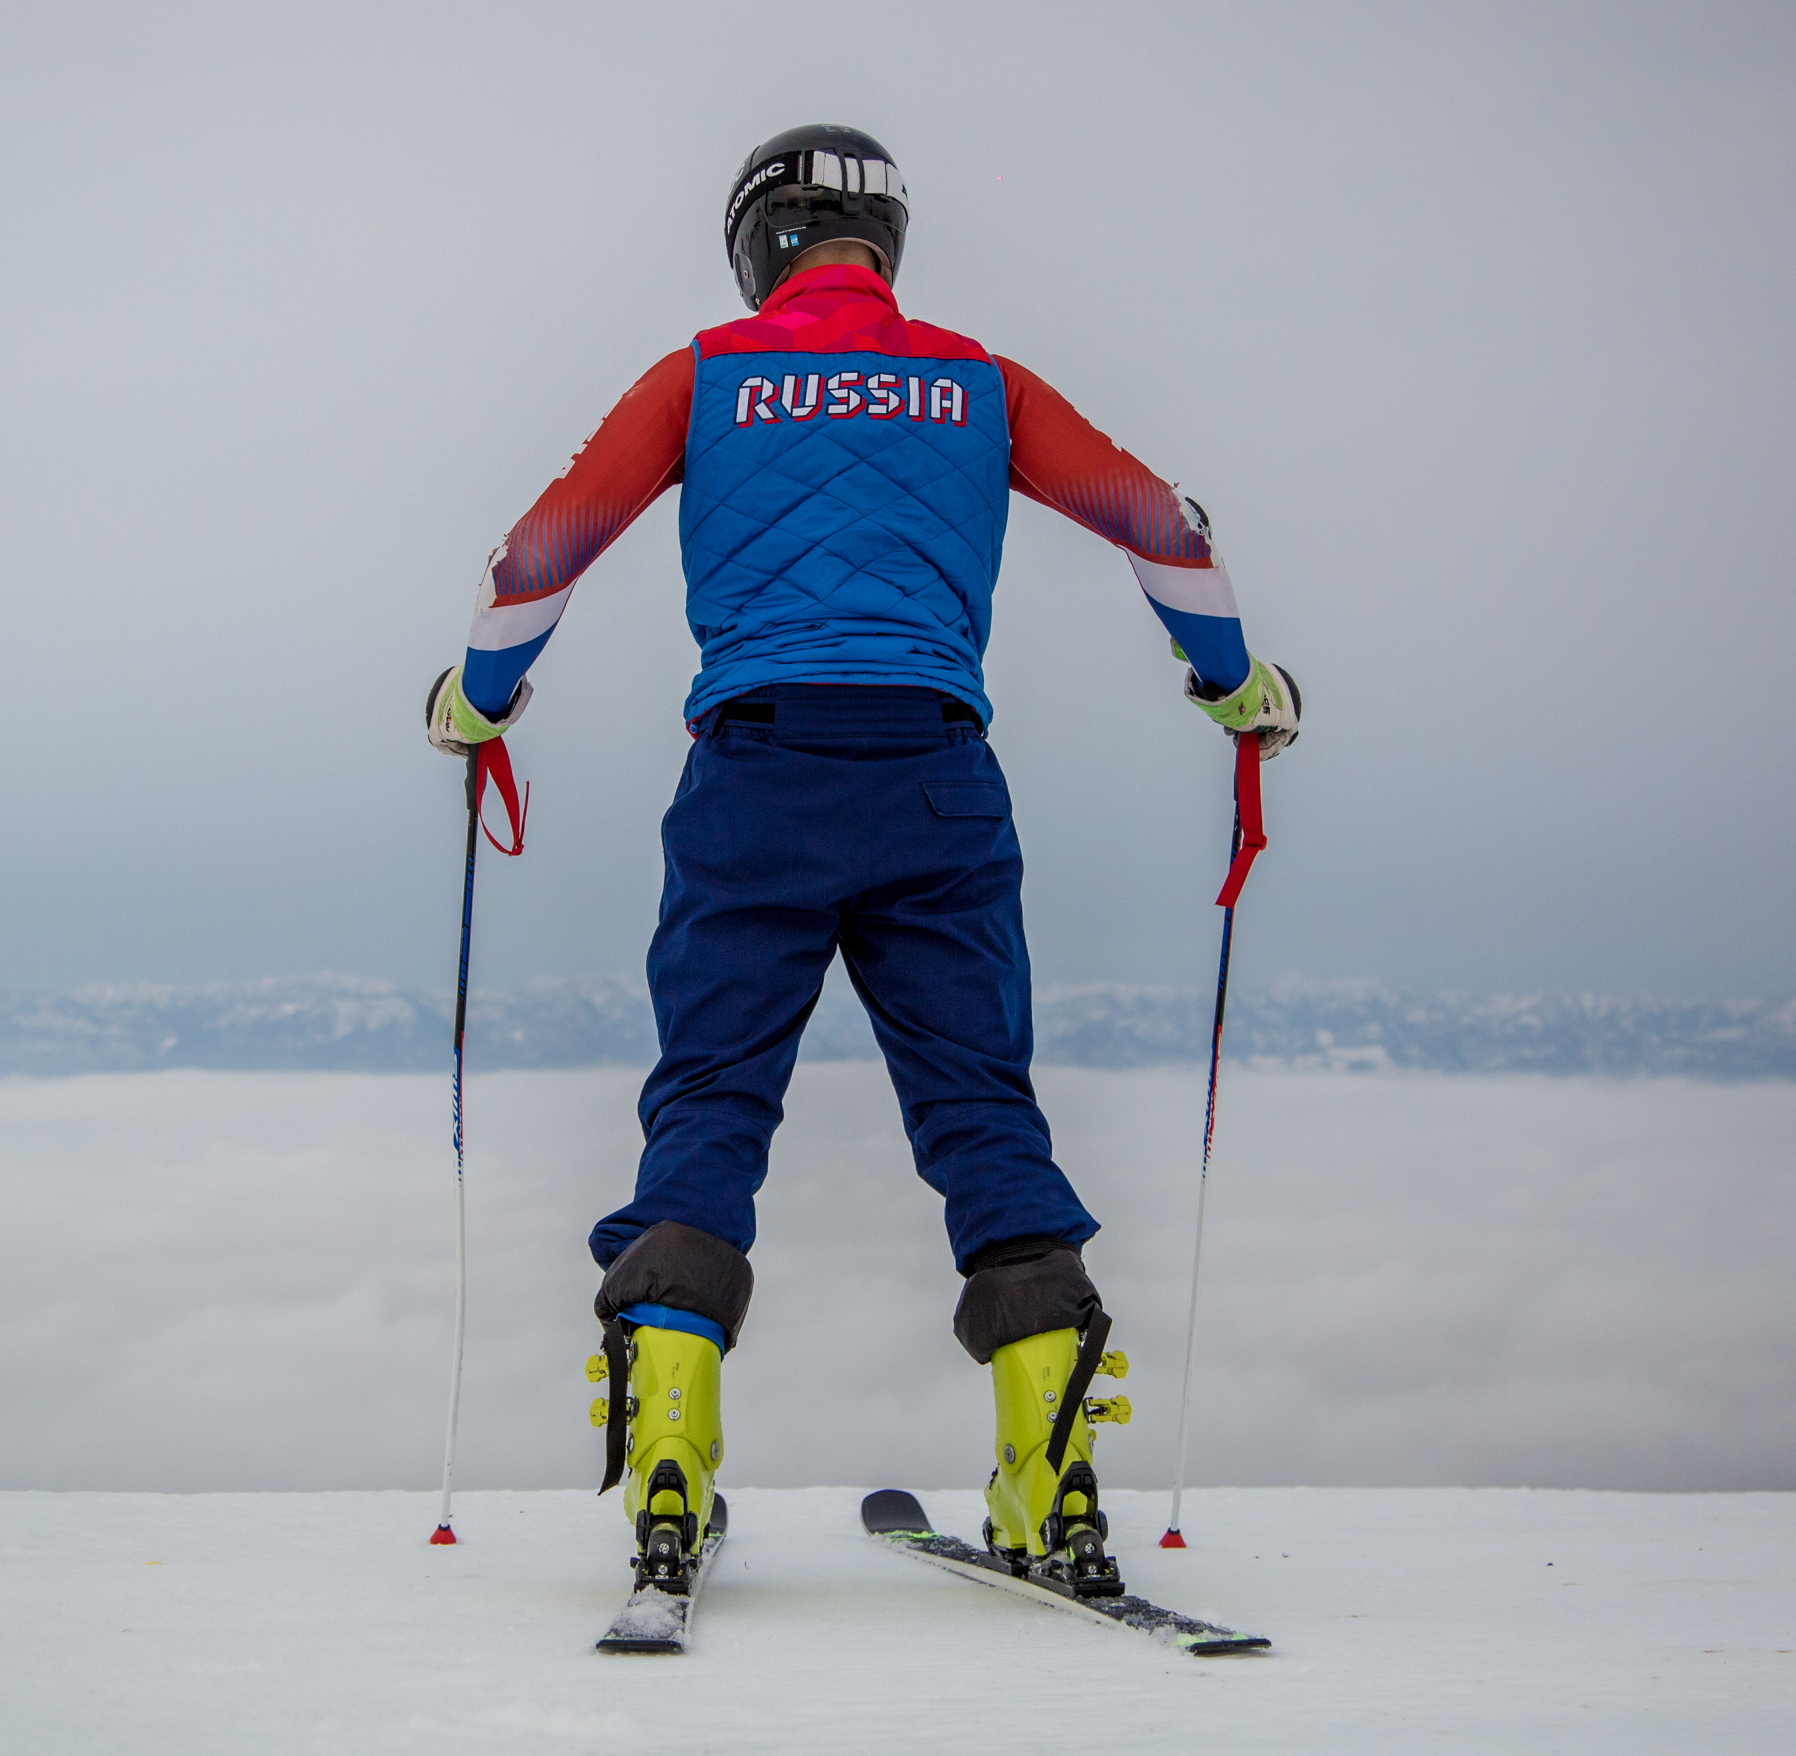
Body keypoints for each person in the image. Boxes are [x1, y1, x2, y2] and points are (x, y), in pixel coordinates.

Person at [422, 124, 1299, 1596]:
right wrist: (1234, 689)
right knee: (978, 1108)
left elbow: (537, 554)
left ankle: (673, 1460)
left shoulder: (704, 376)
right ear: (883, 247)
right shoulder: (981, 384)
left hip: (754, 781)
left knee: (711, 1101)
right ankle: (1050, 1466)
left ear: (757, 245)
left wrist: (478, 703)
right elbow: (1167, 527)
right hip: (938, 786)